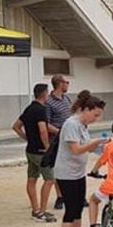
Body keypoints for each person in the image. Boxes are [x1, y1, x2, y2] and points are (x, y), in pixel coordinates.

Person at [56, 90, 108, 227]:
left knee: (78, 209)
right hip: (66, 174)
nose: (96, 119)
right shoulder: (71, 124)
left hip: (78, 172)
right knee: (70, 210)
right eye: (95, 115)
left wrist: (102, 147)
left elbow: (87, 147)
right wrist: (94, 143)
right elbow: (76, 149)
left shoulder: (83, 125)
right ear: (86, 109)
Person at [14, 84, 57, 223]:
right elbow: (43, 129)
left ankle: (35, 209)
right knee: (49, 179)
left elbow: (16, 126)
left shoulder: (29, 108)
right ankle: (42, 211)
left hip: (30, 149)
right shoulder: (41, 110)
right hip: (40, 151)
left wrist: (27, 138)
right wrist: (47, 147)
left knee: (32, 179)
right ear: (45, 94)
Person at [46, 74, 73, 210]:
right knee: (59, 169)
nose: (68, 84)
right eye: (66, 82)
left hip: (70, 139)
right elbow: (46, 124)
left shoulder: (66, 99)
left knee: (71, 167)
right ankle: (60, 196)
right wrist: (60, 132)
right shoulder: (49, 102)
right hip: (56, 141)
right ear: (59, 84)